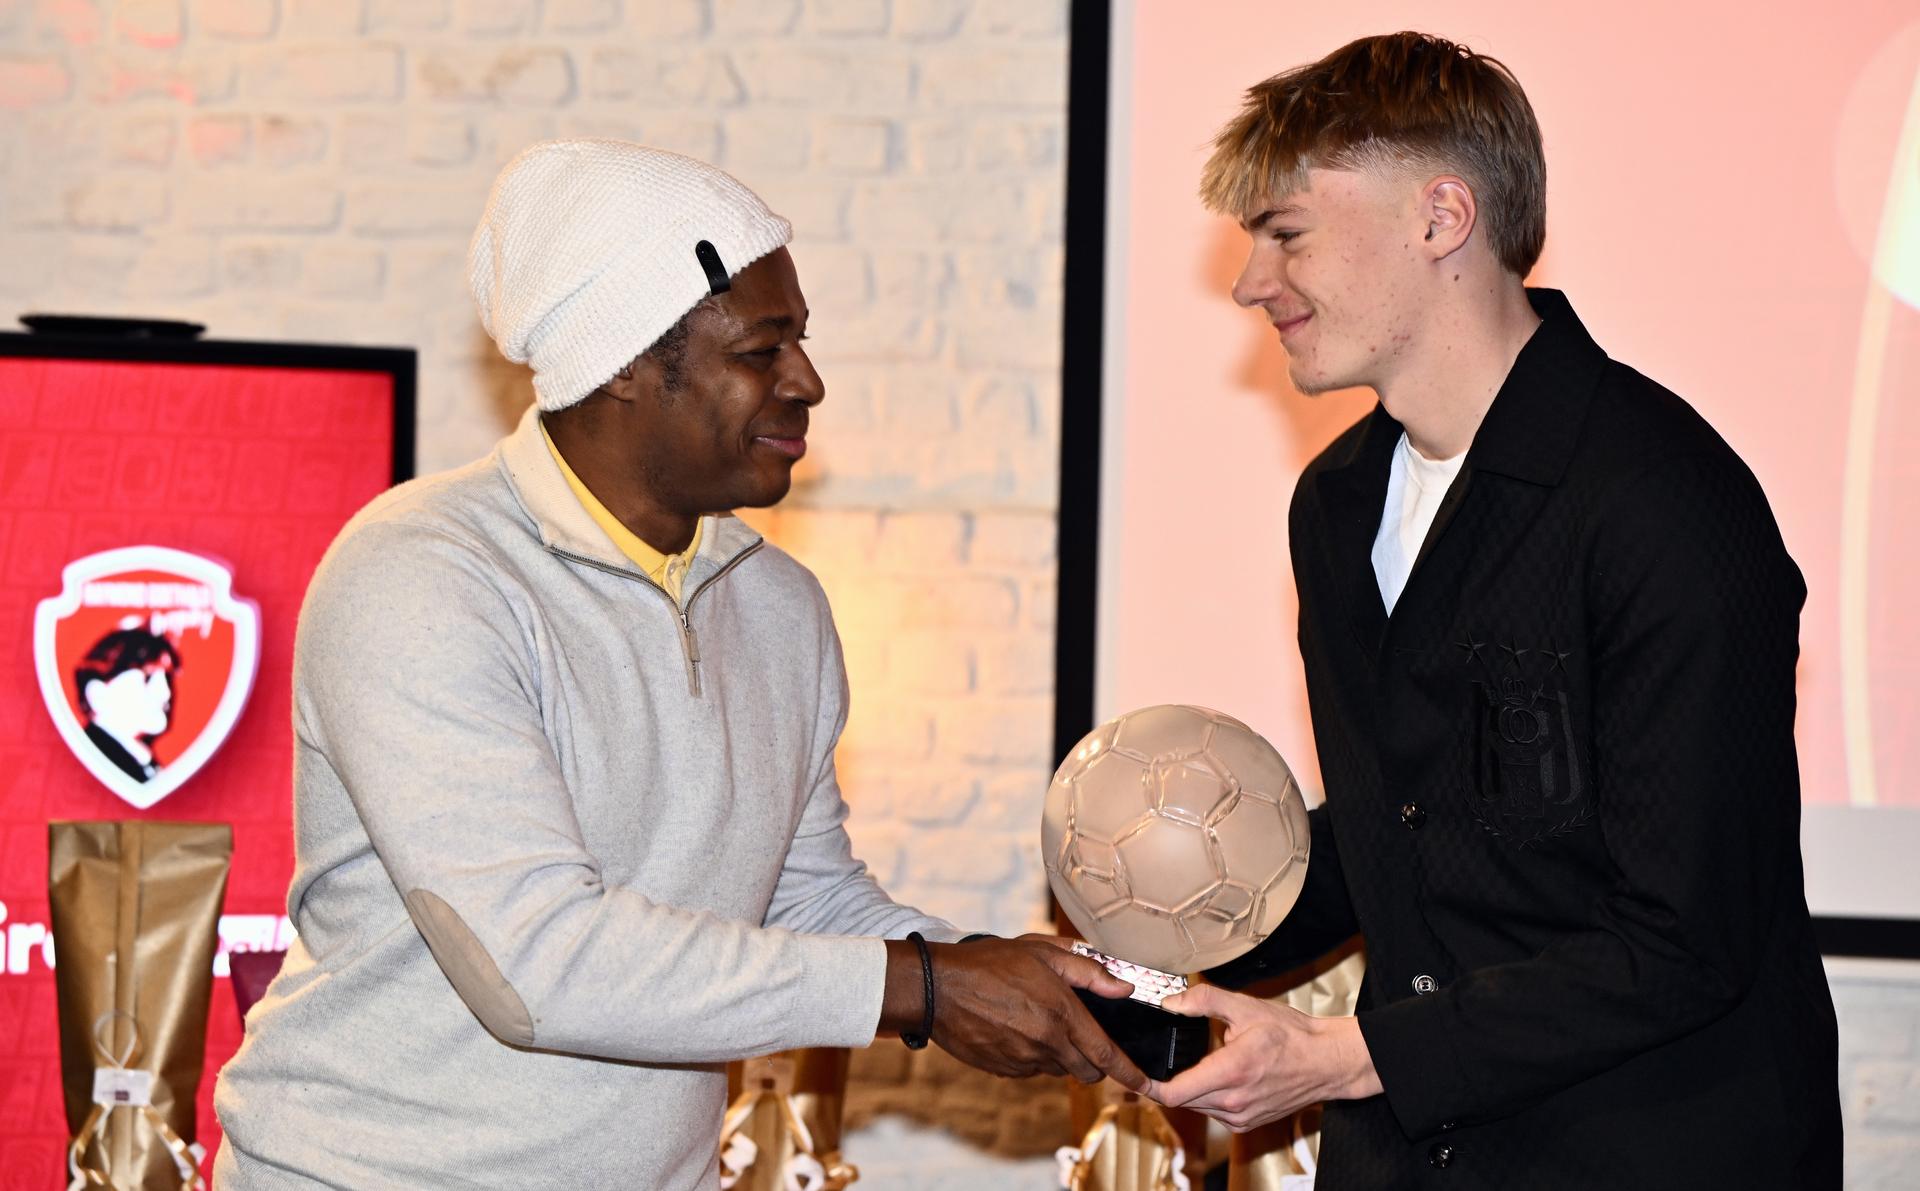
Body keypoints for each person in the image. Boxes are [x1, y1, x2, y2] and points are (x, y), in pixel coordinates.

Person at [213, 140, 1144, 1189]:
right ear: (617, 358)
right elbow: (537, 967)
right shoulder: (421, 576)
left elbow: (803, 901)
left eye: (801, 341)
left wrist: (1021, 977)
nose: (809, 382)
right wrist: (922, 987)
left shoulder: (778, 605)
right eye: (762, 350)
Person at [1148, 33, 1842, 1189]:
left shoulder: (1667, 500)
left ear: (1440, 216)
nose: (1251, 282)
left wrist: (1345, 1056)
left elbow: (1686, 938)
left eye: (1286, 232)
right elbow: (1411, 833)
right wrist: (1159, 935)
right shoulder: (1336, 501)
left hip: (1650, 1151)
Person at [73, 626, 178, 783]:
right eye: (148, 678)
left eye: (167, 677)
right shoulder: (94, 758)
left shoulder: (146, 763)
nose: (165, 692)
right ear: (98, 694)